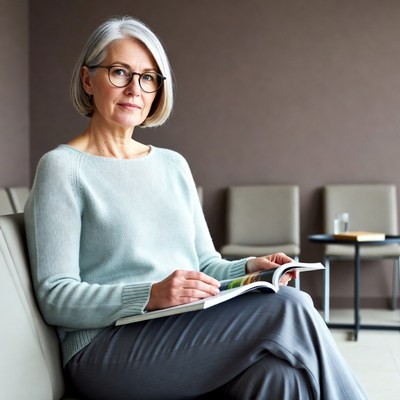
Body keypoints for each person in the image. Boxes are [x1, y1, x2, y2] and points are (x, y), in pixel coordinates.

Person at [24, 15, 367, 400]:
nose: (135, 88)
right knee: (290, 307)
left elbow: (204, 266)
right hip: (105, 350)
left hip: (182, 330)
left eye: (149, 77)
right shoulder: (63, 168)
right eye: (120, 72)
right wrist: (150, 295)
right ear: (88, 80)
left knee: (278, 376)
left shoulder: (173, 165)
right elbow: (55, 296)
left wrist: (249, 269)